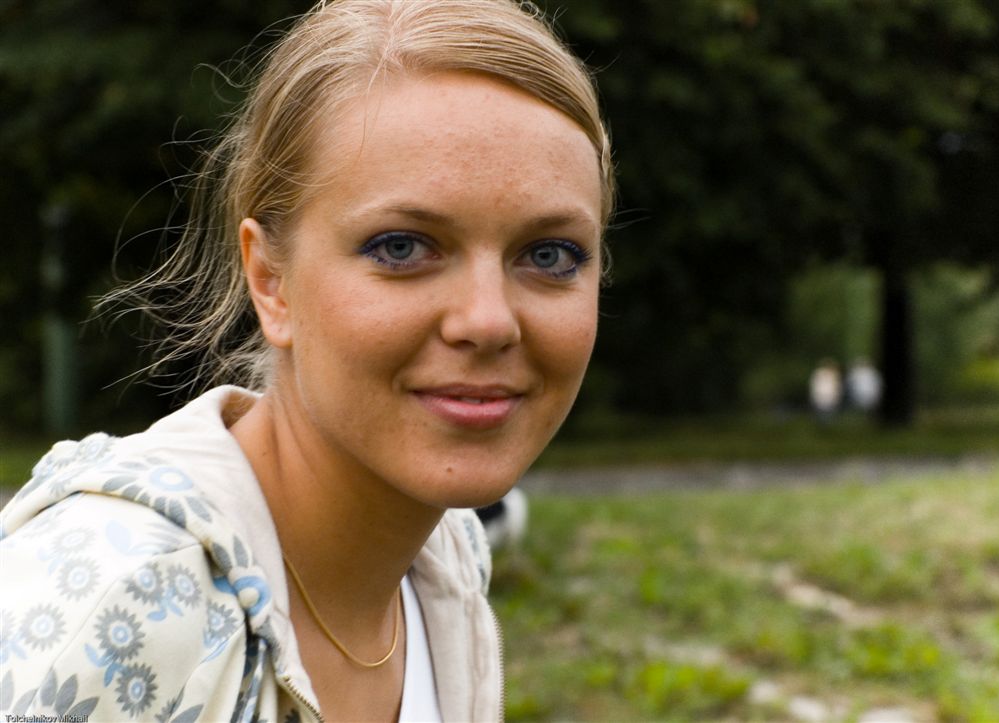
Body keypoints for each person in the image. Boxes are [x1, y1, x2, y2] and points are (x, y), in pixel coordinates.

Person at [0, 1, 614, 720]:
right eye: (402, 247)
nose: (487, 320)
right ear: (270, 280)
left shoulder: (443, 567)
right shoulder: (117, 602)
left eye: (550, 255)